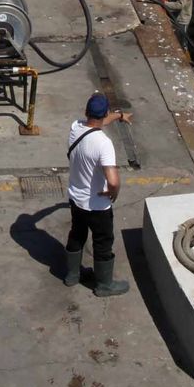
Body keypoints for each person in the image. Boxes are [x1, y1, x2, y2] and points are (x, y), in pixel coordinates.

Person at [64, 93, 131, 297]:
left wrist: (119, 116)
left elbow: (99, 121)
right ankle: (104, 285)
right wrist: (114, 193)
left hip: (76, 199)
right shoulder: (103, 143)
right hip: (97, 206)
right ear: (105, 113)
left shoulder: (76, 128)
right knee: (103, 242)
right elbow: (113, 180)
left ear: (86, 112)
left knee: (77, 234)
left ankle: (72, 275)